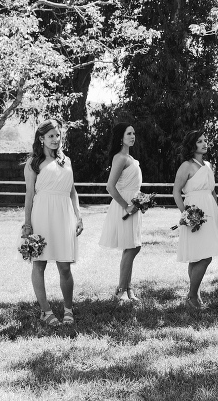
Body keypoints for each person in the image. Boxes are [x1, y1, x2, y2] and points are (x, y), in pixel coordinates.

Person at [21, 119, 83, 327]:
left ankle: (68, 309)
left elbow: (73, 191)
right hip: (42, 214)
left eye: (57, 135)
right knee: (40, 263)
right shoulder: (33, 163)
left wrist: (79, 215)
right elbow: (29, 196)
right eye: (50, 136)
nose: (55, 139)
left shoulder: (67, 161)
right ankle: (45, 311)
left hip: (64, 214)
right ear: (41, 139)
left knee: (65, 266)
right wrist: (27, 224)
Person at [173, 130, 218, 309]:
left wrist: (215, 208)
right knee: (202, 257)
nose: (204, 144)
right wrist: (186, 214)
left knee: (199, 257)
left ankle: (194, 296)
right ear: (192, 144)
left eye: (205, 140)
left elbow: (212, 191)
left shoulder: (209, 165)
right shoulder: (186, 166)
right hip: (194, 212)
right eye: (199, 141)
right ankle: (192, 295)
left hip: (209, 212)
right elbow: (176, 192)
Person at [99, 122, 143, 302]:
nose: (132, 136)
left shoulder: (130, 158)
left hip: (134, 204)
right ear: (120, 138)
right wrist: (127, 205)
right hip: (125, 206)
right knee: (132, 247)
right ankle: (120, 290)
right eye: (128, 134)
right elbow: (110, 187)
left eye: (133, 133)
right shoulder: (120, 158)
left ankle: (128, 288)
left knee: (133, 246)